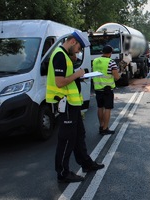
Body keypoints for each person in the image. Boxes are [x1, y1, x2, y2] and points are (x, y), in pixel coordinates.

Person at [46, 30, 105, 183]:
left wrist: (78, 77)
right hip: (64, 103)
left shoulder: (65, 55)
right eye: (79, 48)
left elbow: (66, 79)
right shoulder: (60, 55)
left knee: (79, 135)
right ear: (73, 41)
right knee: (66, 139)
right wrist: (78, 74)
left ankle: (86, 163)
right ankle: (63, 173)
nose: (78, 52)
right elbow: (60, 82)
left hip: (72, 103)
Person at [92, 45, 120, 135]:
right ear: (110, 53)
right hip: (107, 89)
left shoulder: (95, 61)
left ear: (102, 52)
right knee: (107, 108)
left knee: (100, 107)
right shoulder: (111, 62)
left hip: (97, 89)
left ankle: (101, 125)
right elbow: (116, 77)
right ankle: (105, 128)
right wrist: (120, 74)